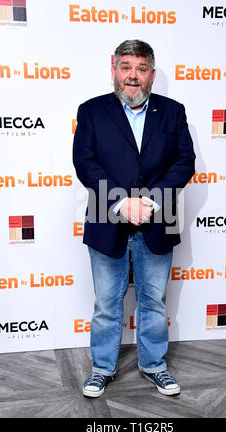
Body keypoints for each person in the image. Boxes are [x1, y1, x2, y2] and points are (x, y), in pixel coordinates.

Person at [73, 40, 195, 397]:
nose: (133, 76)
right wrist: (121, 203)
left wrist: (151, 202)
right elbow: (85, 163)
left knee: (154, 301)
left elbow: (183, 164)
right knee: (106, 303)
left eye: (141, 69)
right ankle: (102, 368)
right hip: (106, 218)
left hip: (159, 220)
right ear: (114, 69)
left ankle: (155, 365)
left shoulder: (173, 112)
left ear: (152, 74)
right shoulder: (92, 111)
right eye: (126, 67)